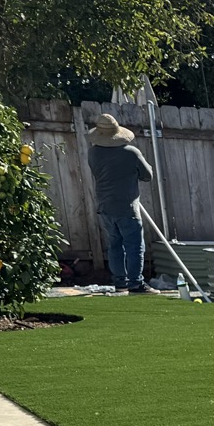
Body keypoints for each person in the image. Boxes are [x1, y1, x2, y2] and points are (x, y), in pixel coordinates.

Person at [86, 112, 153, 293]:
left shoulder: (93, 153)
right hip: (127, 206)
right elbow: (148, 175)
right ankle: (136, 283)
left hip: (105, 206)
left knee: (114, 244)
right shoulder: (131, 153)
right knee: (134, 245)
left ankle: (120, 283)